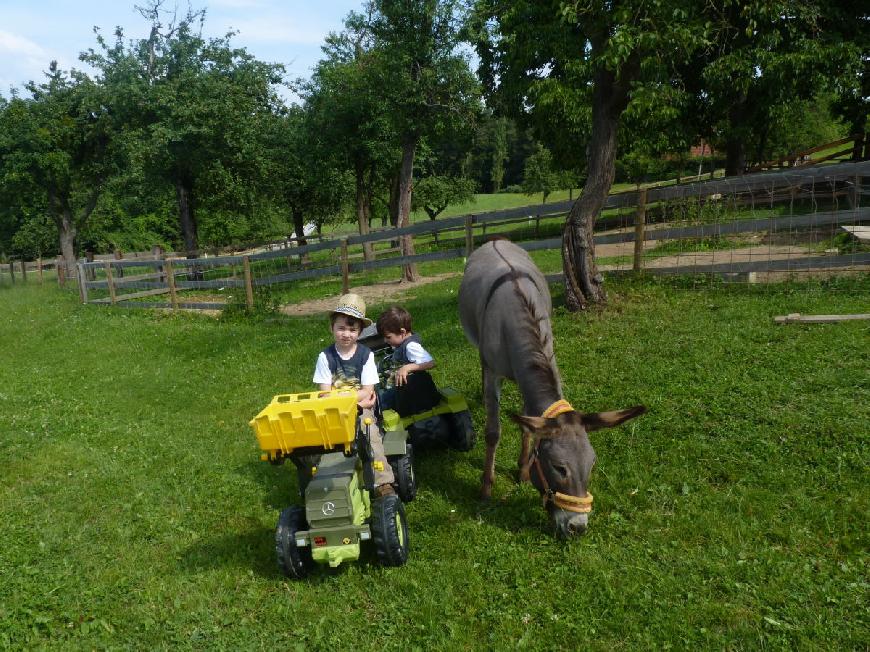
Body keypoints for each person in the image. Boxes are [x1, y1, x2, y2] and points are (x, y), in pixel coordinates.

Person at [313, 293, 396, 496]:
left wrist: (344, 397)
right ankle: (319, 483)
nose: (346, 334)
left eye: (352, 329)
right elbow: (324, 393)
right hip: (334, 411)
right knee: (317, 440)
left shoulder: (365, 356)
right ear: (331, 328)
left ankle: (383, 482)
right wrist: (349, 397)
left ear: (359, 331)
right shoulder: (325, 357)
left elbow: (368, 391)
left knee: (370, 435)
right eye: (341, 328)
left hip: (360, 410)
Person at [375, 306, 440, 416]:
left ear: (402, 332)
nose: (385, 340)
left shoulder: (411, 346)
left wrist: (407, 367)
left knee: (380, 402)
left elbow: (431, 363)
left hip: (407, 388)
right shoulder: (402, 342)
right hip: (400, 384)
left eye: (388, 337)